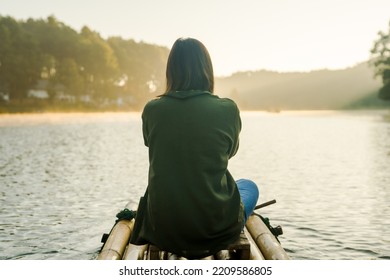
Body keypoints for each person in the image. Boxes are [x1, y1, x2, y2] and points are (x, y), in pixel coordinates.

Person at [130, 37, 259, 259]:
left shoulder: (152, 109)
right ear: (207, 70)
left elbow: (152, 143)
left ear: (171, 72)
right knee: (248, 186)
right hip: (214, 227)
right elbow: (230, 152)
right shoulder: (227, 109)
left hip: (163, 227)